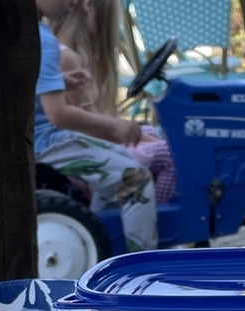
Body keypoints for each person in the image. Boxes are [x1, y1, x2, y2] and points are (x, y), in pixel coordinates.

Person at [34, 0, 158, 252]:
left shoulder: (32, 34)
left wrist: (61, 81)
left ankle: (101, 240)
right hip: (48, 142)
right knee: (136, 178)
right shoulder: (45, 41)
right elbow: (58, 115)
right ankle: (143, 259)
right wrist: (114, 126)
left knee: (121, 161)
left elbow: (30, 84)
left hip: (44, 137)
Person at [50, 0, 177, 204]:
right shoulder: (67, 58)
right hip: (82, 157)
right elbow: (89, 128)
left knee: (152, 133)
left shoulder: (62, 50)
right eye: (109, 19)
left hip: (84, 146)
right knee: (172, 155)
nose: (109, 28)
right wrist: (153, 142)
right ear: (89, 5)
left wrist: (146, 137)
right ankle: (162, 218)